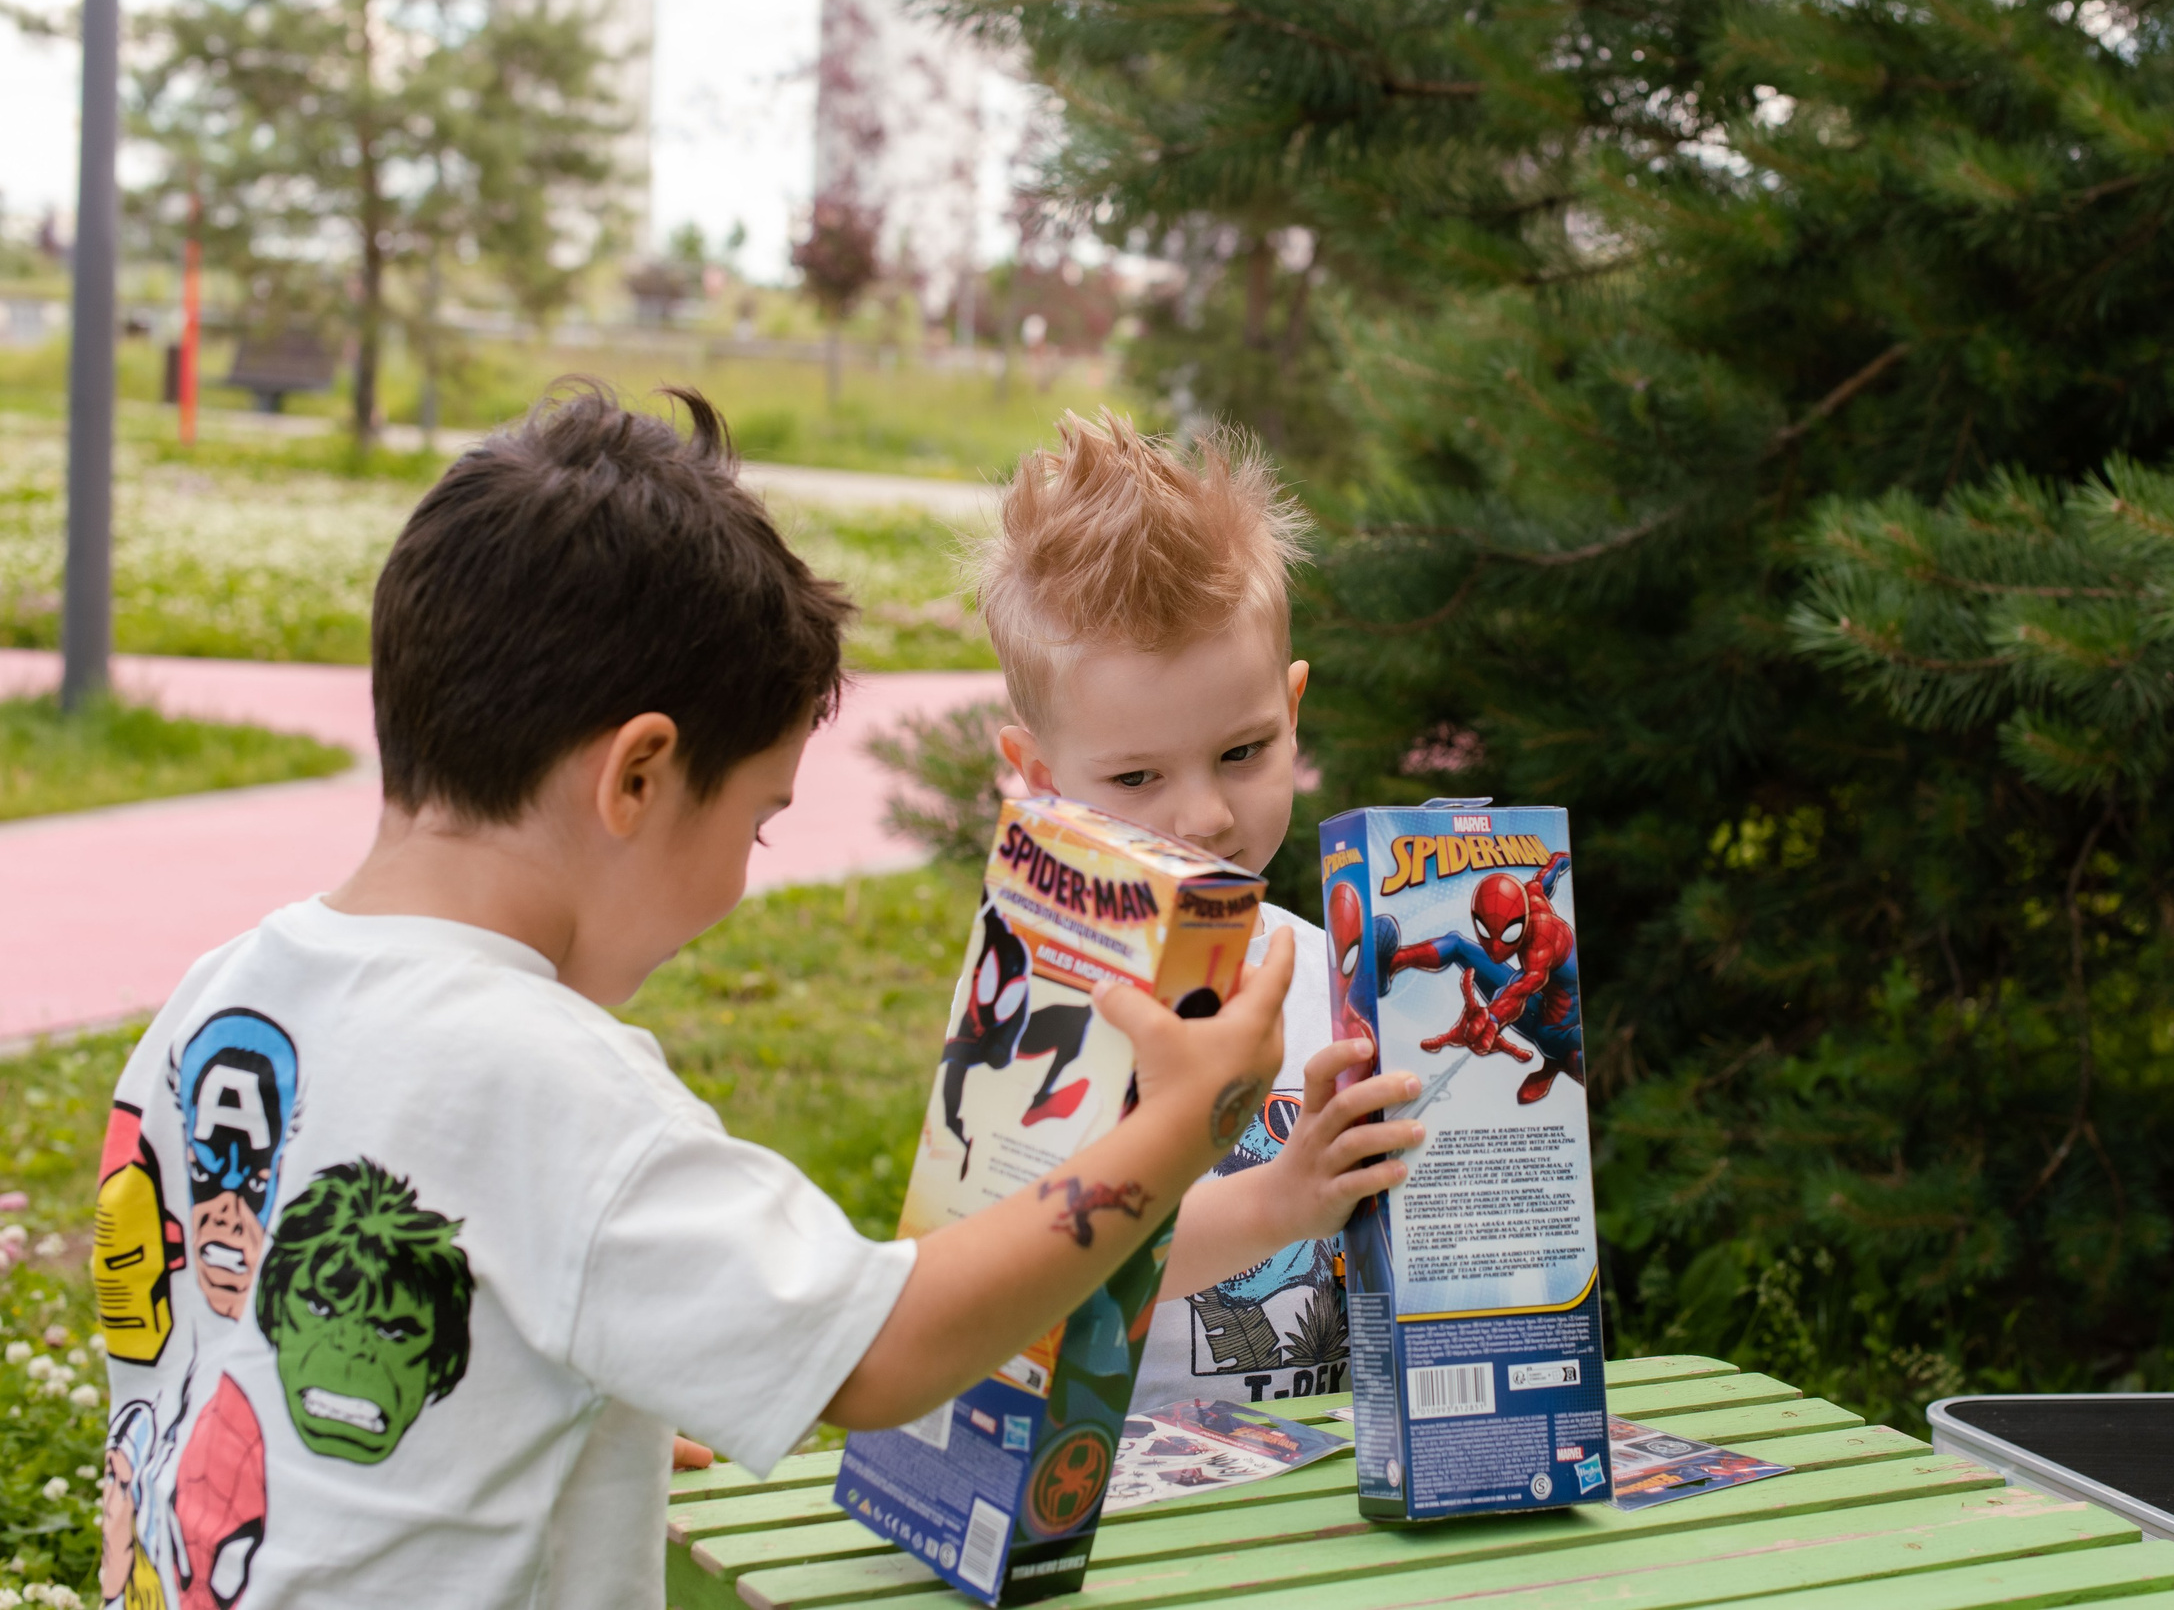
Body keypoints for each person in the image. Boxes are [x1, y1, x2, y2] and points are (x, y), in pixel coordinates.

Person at [92, 384, 1293, 1610]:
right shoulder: (559, 1087)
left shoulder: (220, 996)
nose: (736, 879)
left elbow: (238, 1337)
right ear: (640, 774)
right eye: (758, 823)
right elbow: (880, 1358)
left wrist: (543, 1394)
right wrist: (1175, 1130)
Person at [971, 410, 1426, 1411]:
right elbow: (1022, 1275)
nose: (1206, 815)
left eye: (1242, 750)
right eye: (1136, 773)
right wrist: (1280, 1199)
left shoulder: (1339, 975)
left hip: (1315, 1498)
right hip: (1108, 1510)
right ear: (1038, 779)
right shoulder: (1037, 1005)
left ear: (1292, 709)